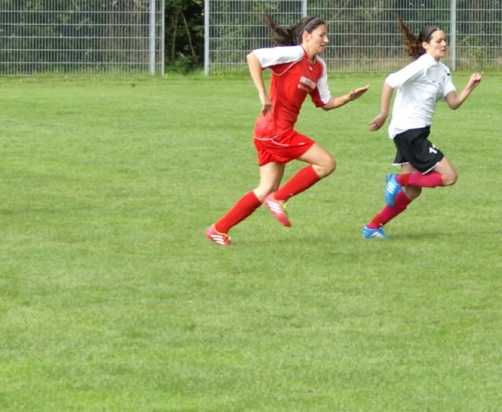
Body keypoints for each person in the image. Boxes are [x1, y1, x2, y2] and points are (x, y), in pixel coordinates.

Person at [206, 14, 369, 245]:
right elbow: (253, 57)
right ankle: (279, 199)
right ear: (306, 36)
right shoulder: (294, 54)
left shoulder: (319, 67)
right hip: (274, 130)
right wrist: (262, 93)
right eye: (322, 35)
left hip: (272, 131)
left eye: (326, 35)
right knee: (326, 163)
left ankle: (218, 230)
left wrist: (349, 98)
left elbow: (324, 103)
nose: (327, 40)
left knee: (265, 188)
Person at [362, 19, 481, 239]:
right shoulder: (422, 64)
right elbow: (390, 81)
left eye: (445, 40)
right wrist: (383, 113)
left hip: (413, 133)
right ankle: (396, 180)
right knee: (449, 176)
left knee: (413, 191)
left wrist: (469, 88)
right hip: (410, 131)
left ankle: (373, 226)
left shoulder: (443, 71)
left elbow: (453, 103)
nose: (444, 44)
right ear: (425, 45)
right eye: (438, 40)